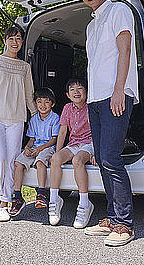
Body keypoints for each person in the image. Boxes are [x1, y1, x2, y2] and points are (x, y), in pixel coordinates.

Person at [75, 0, 139, 246]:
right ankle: (112, 218)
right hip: (95, 100)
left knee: (112, 158)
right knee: (101, 158)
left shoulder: (118, 11)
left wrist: (118, 91)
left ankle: (124, 226)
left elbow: (124, 51)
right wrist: (92, 97)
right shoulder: (91, 25)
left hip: (115, 94)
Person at [0, 25, 37, 222]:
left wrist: (37, 116)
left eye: (18, 38)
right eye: (11, 38)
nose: (15, 42)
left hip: (17, 119)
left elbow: (29, 94)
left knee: (11, 160)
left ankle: (5, 203)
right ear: (4, 41)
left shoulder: (25, 66)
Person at [48, 79, 96, 229]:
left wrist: (98, 153)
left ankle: (84, 203)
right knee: (55, 159)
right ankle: (54, 200)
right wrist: (58, 152)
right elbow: (63, 131)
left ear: (86, 93)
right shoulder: (67, 108)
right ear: (68, 95)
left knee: (77, 161)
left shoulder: (91, 107)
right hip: (74, 143)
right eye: (72, 90)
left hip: (90, 143)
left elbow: (98, 130)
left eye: (80, 88)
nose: (76, 92)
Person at [9, 88, 60, 217]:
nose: (43, 105)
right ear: (35, 104)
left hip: (48, 148)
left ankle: (41, 193)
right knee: (18, 162)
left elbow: (54, 140)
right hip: (35, 147)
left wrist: (39, 149)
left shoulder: (55, 118)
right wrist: (27, 147)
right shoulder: (34, 119)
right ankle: (17, 196)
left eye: (47, 102)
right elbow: (32, 139)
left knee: (40, 161)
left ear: (52, 104)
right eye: (39, 102)